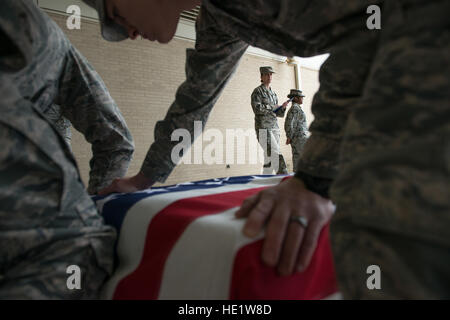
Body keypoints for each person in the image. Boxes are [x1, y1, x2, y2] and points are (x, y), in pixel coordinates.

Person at [83, 0, 450, 298]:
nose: (124, 32)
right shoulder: (218, 18)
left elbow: (365, 30)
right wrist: (146, 177)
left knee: (394, 227)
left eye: (114, 13)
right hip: (393, 48)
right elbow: (194, 99)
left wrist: (315, 181)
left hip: (423, 33)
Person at [0, 0, 134, 298]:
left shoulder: (43, 36)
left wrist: (96, 201)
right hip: (48, 228)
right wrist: (95, 209)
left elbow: (115, 140)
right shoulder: (40, 32)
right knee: (79, 250)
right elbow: (115, 137)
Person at [251, 66, 289, 175]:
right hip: (263, 128)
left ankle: (265, 179)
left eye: (271, 74)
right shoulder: (257, 91)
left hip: (274, 128)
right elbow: (257, 109)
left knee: (269, 158)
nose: (269, 76)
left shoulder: (273, 93)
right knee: (275, 154)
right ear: (261, 76)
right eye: (267, 74)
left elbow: (278, 114)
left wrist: (282, 107)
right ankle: (284, 177)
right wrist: (272, 107)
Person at [284, 89, 308, 172]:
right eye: (300, 97)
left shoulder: (296, 108)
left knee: (298, 159)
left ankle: (297, 177)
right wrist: (289, 136)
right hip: (299, 138)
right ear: (296, 98)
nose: (302, 99)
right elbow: (290, 123)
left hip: (298, 138)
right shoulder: (295, 108)